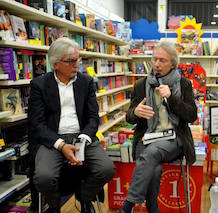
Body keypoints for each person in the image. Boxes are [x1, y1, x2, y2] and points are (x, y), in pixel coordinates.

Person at [28, 37, 115, 213]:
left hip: (82, 136)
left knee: (106, 169)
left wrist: (82, 140)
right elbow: (37, 124)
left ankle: (84, 198)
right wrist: (61, 145)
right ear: (55, 64)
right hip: (52, 140)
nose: (77, 65)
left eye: (78, 59)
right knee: (44, 177)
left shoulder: (86, 82)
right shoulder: (39, 85)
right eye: (71, 61)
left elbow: (93, 117)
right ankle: (54, 206)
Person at [119, 41, 197, 213]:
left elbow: (192, 115)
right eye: (155, 59)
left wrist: (171, 98)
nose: (156, 64)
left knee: (152, 153)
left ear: (172, 64)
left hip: (173, 138)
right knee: (153, 170)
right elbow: (129, 117)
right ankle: (153, 207)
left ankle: (127, 206)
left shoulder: (183, 84)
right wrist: (136, 112)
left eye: (162, 60)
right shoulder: (141, 85)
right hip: (146, 138)